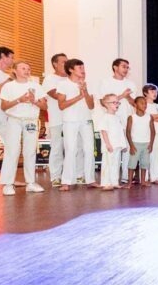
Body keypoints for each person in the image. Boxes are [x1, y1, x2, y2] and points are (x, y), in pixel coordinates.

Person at [0, 60, 47, 195]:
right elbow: (3, 106)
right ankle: (8, 184)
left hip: (30, 121)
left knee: (30, 151)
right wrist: (19, 100)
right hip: (14, 120)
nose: (27, 71)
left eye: (28, 68)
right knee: (12, 150)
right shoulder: (9, 87)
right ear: (14, 70)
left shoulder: (36, 86)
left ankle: (30, 183)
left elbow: (44, 106)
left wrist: (34, 101)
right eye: (23, 68)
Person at [56, 59, 96, 191]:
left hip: (86, 120)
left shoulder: (84, 84)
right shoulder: (63, 84)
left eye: (83, 67)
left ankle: (90, 179)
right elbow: (61, 105)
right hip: (70, 121)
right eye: (80, 68)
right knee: (71, 149)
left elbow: (91, 105)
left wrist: (85, 92)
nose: (83, 70)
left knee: (89, 149)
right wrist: (79, 97)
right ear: (71, 69)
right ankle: (66, 181)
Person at [96, 58, 137, 183]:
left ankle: (125, 176)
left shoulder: (130, 84)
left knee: (126, 147)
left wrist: (128, 96)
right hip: (111, 121)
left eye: (127, 67)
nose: (126, 69)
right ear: (115, 67)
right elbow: (103, 102)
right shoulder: (106, 82)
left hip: (126, 119)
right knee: (112, 151)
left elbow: (134, 103)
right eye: (123, 66)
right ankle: (108, 180)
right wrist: (121, 96)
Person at [42, 53, 70, 186]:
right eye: (63, 62)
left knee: (72, 147)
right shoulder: (50, 79)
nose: (67, 64)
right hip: (57, 119)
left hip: (72, 119)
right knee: (57, 147)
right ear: (55, 64)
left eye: (67, 61)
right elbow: (56, 95)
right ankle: (55, 177)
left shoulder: (71, 79)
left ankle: (70, 176)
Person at [97, 93, 128, 191]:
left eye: (118, 102)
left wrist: (124, 144)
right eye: (114, 102)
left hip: (117, 145)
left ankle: (114, 182)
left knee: (116, 163)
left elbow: (121, 132)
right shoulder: (105, 117)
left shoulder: (117, 118)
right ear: (106, 104)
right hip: (110, 146)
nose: (117, 104)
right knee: (108, 163)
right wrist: (108, 144)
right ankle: (106, 183)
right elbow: (104, 131)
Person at [126, 96, 154, 188]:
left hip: (146, 144)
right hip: (135, 143)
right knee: (132, 164)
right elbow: (128, 132)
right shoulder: (131, 117)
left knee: (145, 163)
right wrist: (131, 145)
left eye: (145, 103)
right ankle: (129, 182)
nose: (144, 105)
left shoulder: (149, 117)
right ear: (135, 105)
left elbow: (152, 131)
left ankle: (143, 181)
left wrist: (151, 144)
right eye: (141, 103)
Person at [0, 47, 15, 155]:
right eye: (11, 57)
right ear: (2, 56)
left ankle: (8, 172)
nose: (13, 60)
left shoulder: (7, 76)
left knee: (13, 146)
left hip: (5, 115)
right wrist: (9, 80)